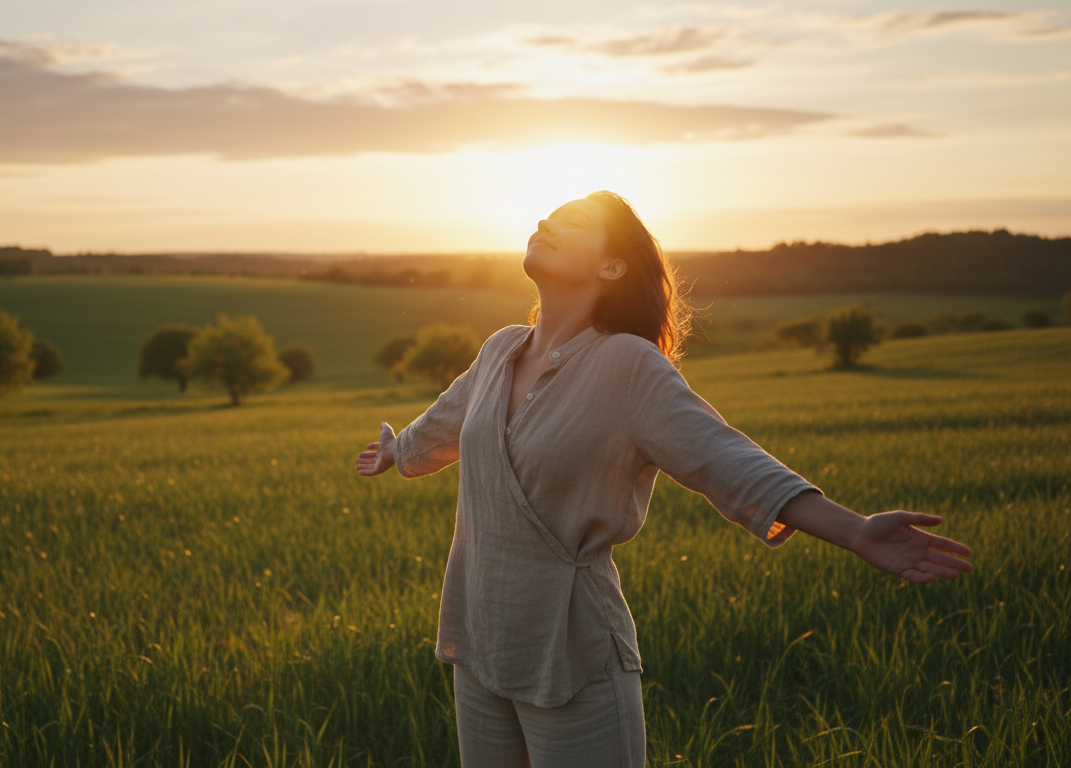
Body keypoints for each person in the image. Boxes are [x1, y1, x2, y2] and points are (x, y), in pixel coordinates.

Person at [354, 191, 974, 767]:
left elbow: (724, 458)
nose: (546, 222)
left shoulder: (628, 366)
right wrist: (396, 450)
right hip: (479, 643)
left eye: (573, 222)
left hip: (572, 651)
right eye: (549, 214)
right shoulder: (500, 350)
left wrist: (856, 531)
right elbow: (449, 419)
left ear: (612, 267)